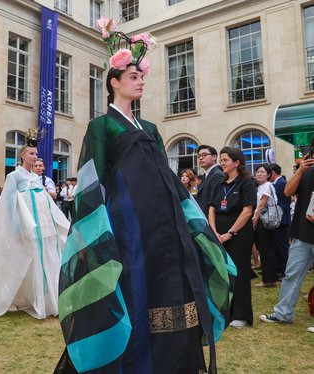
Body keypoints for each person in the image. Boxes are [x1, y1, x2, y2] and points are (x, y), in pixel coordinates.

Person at [55, 29, 235, 374]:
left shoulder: (150, 127)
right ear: (114, 82)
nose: (140, 82)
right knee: (136, 284)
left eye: (142, 77)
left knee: (172, 281)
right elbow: (92, 180)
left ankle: (174, 360)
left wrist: (190, 217)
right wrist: (94, 228)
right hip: (128, 225)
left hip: (165, 223)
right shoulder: (102, 126)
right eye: (133, 76)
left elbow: (166, 177)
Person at [0, 129, 70, 319]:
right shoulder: (14, 176)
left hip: (44, 225)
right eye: (31, 154)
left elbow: (46, 202)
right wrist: (13, 227)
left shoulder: (37, 178)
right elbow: (8, 204)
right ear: (22, 155)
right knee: (25, 259)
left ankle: (49, 300)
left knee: (47, 258)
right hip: (27, 226)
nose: (35, 157)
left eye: (36, 155)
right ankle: (24, 298)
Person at [259, 153, 314, 333]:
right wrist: (299, 171)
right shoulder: (306, 172)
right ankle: (283, 313)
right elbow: (288, 192)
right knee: (291, 275)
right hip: (302, 234)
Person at [208, 146, 256, 328]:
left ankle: (241, 315)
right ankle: (224, 313)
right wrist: (213, 231)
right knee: (222, 274)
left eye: (225, 160)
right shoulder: (219, 183)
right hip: (218, 235)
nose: (222, 163)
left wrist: (230, 233)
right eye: (221, 160)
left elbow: (247, 211)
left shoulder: (246, 183)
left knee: (240, 272)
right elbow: (212, 207)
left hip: (239, 236)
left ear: (236, 163)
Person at [251, 164, 278, 287]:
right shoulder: (260, 186)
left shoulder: (267, 186)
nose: (259, 174)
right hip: (262, 220)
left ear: (268, 175)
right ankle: (270, 278)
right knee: (265, 249)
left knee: (266, 249)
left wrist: (255, 220)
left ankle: (268, 280)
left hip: (265, 220)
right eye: (257, 172)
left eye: (262, 172)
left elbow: (262, 204)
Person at [269, 164, 292, 278]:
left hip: (281, 219)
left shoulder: (281, 183)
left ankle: (285, 271)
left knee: (282, 246)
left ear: (272, 173)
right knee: (277, 245)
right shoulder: (278, 183)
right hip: (278, 218)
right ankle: (279, 269)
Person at [196, 145, 225, 215]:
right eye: (199, 156)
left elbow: (215, 202)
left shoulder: (217, 175)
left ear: (214, 157)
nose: (201, 158)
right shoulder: (206, 175)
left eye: (204, 155)